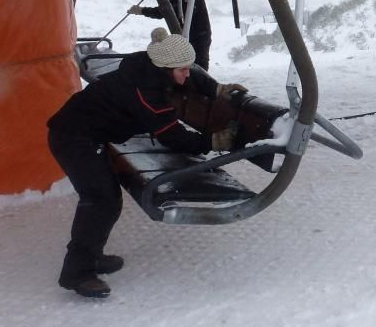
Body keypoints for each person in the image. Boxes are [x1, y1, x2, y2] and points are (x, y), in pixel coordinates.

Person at [47, 28, 245, 298]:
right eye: (181, 69)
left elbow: (191, 73)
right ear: (165, 68)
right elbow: (173, 137)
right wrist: (213, 142)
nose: (187, 74)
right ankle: (77, 273)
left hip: (83, 132)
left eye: (186, 68)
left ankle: (91, 257)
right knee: (101, 200)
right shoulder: (147, 93)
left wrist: (217, 89)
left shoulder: (149, 64)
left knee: (105, 200)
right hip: (74, 138)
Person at [129, 0, 212, 70]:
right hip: (197, 34)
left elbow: (162, 11)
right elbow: (165, 8)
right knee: (192, 66)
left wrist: (141, 11)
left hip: (198, 35)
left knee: (197, 66)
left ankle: (202, 85)